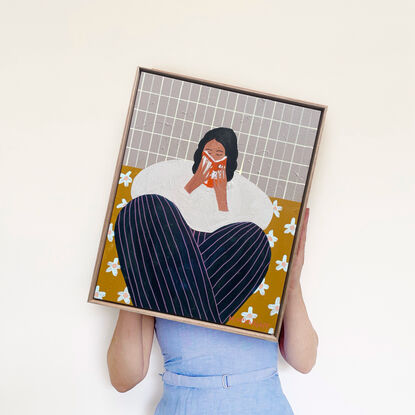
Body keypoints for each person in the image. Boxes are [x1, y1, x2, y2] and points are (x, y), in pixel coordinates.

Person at [107, 127, 318, 414]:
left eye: (220, 155)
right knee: (142, 208)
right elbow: (124, 378)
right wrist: (132, 267)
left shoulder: (249, 243)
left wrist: (292, 283)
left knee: (253, 239)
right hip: (186, 406)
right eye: (208, 152)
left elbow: (304, 361)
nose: (212, 160)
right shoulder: (157, 252)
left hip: (261, 405)